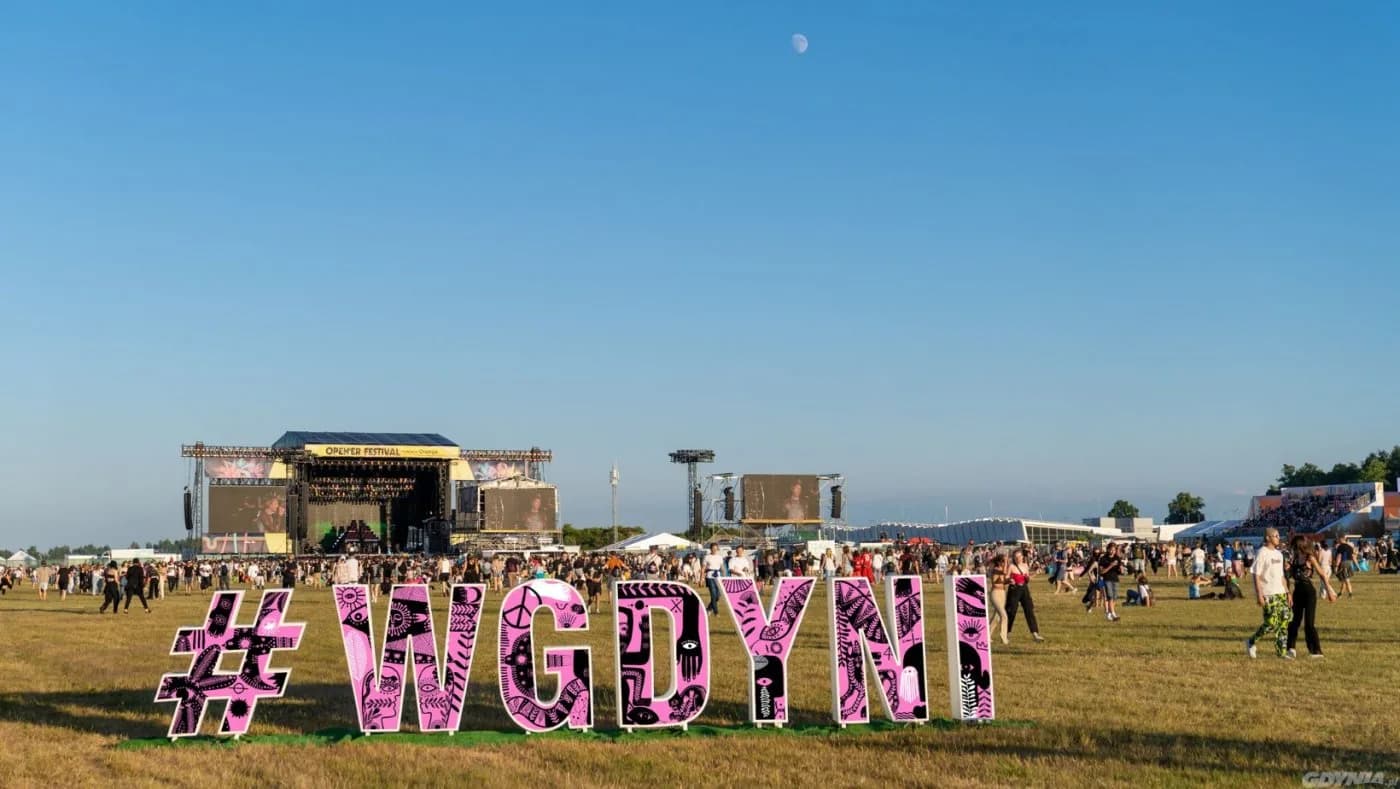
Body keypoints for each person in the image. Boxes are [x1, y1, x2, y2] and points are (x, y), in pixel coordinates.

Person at [1286, 535, 1337, 659]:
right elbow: (1288, 576)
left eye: (1295, 546)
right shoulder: (1294, 559)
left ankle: (1316, 651)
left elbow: (1322, 574)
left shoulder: (1310, 558)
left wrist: (1329, 591)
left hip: (1309, 592)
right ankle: (1290, 649)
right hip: (1297, 592)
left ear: (1300, 546)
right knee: (1294, 622)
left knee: (1309, 623)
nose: (1293, 549)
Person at [1246, 528, 1291, 659]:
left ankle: (1282, 652)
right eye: (1275, 536)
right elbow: (1256, 574)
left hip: (1280, 592)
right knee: (1271, 623)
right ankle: (1251, 642)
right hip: (1268, 593)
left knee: (1284, 621)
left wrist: (1287, 592)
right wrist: (1259, 594)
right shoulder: (1262, 553)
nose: (1278, 538)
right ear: (1268, 538)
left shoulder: (1279, 554)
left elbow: (1281, 576)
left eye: (1278, 535)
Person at [1004, 548, 1046, 642]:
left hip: (1024, 589)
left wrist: (1035, 573)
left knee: (1029, 610)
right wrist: (1009, 580)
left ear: (1022, 557)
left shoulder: (1025, 565)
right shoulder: (1011, 566)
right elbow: (1006, 577)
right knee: (1011, 612)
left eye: (1019, 557)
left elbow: (1027, 579)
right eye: (1015, 557)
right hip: (1014, 590)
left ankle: (1035, 634)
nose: (1017, 559)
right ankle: (1005, 633)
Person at [987, 555, 1010, 645]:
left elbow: (1003, 581)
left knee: (997, 617)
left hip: (1002, 593)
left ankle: (987, 635)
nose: (1005, 563)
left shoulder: (1002, 569)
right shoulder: (995, 569)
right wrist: (1006, 564)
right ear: (999, 562)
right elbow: (1000, 576)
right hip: (995, 593)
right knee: (1004, 615)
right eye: (1003, 561)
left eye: (1006, 561)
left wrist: (1009, 581)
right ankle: (1003, 637)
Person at [1098, 544, 1123, 622]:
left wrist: (1121, 569)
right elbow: (1101, 572)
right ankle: (1113, 614)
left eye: (1114, 550)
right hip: (1107, 579)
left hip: (1115, 579)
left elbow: (1120, 571)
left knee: (1114, 597)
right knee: (1110, 597)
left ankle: (1109, 613)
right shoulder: (1103, 559)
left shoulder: (1117, 558)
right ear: (1108, 549)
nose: (1112, 551)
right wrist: (1111, 565)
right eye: (1111, 549)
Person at [702, 545, 725, 616]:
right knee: (713, 594)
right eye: (713, 548)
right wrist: (701, 578)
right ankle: (716, 612)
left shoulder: (720, 557)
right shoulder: (707, 557)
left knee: (718, 595)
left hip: (718, 576)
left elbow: (722, 568)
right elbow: (703, 568)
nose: (714, 550)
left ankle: (708, 608)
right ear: (710, 549)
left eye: (716, 548)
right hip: (710, 576)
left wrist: (724, 577)